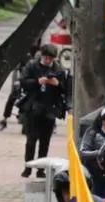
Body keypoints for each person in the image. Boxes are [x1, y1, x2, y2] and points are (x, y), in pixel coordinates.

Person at [19, 45, 68, 178]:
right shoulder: (32, 65)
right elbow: (23, 81)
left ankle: (41, 169)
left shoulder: (58, 69)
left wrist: (57, 84)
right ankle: (28, 167)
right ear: (42, 55)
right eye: (46, 58)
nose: (48, 61)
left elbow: (65, 88)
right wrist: (37, 82)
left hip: (49, 108)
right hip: (33, 106)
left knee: (45, 140)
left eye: (50, 59)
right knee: (31, 139)